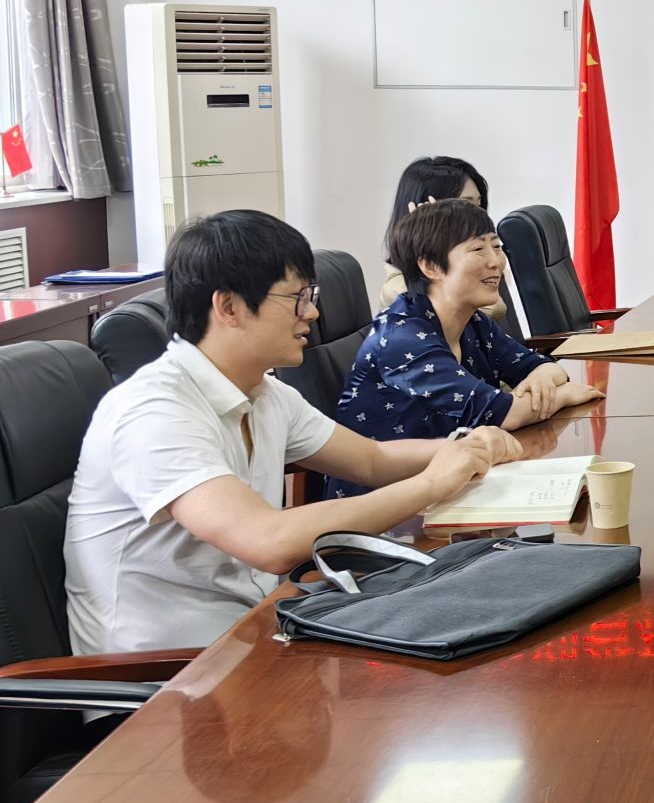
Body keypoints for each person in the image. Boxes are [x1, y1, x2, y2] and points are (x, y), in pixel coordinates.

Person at [64, 210, 516, 656]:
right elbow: (269, 541)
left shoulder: (264, 392)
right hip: (166, 675)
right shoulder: (154, 411)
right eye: (297, 298)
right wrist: (432, 483)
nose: (312, 312)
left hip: (255, 633)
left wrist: (466, 446)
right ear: (229, 307)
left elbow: (371, 460)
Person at [328, 200, 602, 498]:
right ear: (430, 266)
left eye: (496, 246)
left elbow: (541, 365)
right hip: (387, 500)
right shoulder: (403, 337)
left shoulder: (472, 321)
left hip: (454, 480)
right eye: (478, 249)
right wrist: (561, 395)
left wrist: (542, 377)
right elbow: (504, 414)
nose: (496, 261)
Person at [377, 155, 506, 322]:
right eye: (465, 204)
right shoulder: (399, 288)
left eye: (478, 205)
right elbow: (493, 309)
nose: (478, 214)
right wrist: (429, 235)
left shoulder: (477, 257)